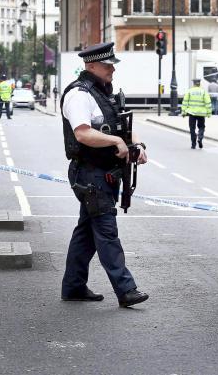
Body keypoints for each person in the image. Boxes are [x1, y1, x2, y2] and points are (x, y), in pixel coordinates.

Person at [60, 42, 149, 308]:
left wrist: (137, 144)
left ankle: (73, 286)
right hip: (90, 173)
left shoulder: (103, 93)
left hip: (104, 172)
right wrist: (115, 142)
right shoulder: (79, 95)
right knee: (106, 230)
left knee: (86, 233)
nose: (112, 69)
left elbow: (122, 125)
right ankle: (126, 289)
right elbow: (82, 133)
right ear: (91, 66)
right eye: (107, 65)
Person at [181, 78, 212, 149]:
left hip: (192, 113)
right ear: (199, 84)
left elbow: (185, 102)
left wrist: (183, 112)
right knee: (201, 127)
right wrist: (209, 112)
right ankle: (200, 138)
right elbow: (208, 102)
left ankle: (193, 144)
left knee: (192, 128)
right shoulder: (203, 91)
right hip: (201, 113)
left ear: (194, 83)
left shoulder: (190, 91)